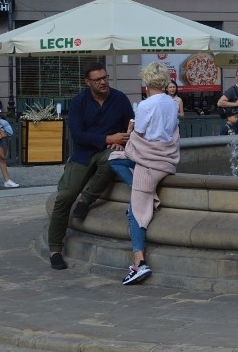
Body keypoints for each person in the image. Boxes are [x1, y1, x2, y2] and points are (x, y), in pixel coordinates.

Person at [47, 62, 134, 270]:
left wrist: (120, 139)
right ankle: (55, 249)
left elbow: (131, 124)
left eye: (105, 77)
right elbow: (77, 134)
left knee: (112, 159)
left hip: (108, 151)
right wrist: (106, 138)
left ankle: (85, 201)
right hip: (84, 153)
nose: (103, 82)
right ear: (88, 82)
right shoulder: (79, 101)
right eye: (98, 79)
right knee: (65, 196)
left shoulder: (119, 98)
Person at [108, 62, 180, 285]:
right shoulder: (171, 102)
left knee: (136, 209)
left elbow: (138, 134)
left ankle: (139, 263)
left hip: (149, 161)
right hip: (167, 159)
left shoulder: (146, 105)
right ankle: (146, 192)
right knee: (118, 161)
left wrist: (128, 133)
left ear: (146, 82)